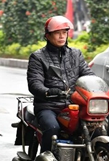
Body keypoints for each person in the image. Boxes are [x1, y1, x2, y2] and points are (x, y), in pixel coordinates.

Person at [27, 15, 95, 153]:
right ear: (47, 35)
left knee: (95, 128)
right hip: (48, 106)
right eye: (57, 33)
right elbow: (34, 83)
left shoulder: (76, 54)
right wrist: (47, 91)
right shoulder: (38, 57)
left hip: (73, 105)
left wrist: (98, 88)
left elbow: (88, 75)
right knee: (52, 128)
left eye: (64, 32)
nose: (61, 36)